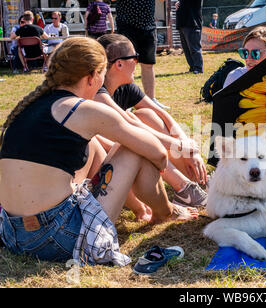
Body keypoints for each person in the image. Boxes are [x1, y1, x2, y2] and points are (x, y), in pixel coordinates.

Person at [0, 37, 198, 264]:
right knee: (133, 148)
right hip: (56, 238)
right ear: (93, 76)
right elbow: (157, 152)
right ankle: (166, 212)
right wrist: (162, 165)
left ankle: (139, 209)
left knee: (92, 144)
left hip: (12, 233)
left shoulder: (30, 106)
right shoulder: (83, 110)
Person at [91, 34, 208, 216]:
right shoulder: (97, 93)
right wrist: (180, 146)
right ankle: (184, 187)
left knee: (147, 115)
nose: (137, 62)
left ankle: (195, 182)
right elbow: (126, 125)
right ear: (119, 64)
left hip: (123, 151)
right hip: (107, 165)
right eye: (135, 57)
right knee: (137, 135)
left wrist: (188, 146)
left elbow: (163, 114)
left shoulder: (125, 87)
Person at [116, 0, 170, 109]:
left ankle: (151, 100)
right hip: (127, 26)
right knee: (126, 63)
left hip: (147, 26)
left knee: (148, 64)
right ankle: (125, 101)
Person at [176, 0, 204, 74]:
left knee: (194, 48)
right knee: (186, 49)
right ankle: (192, 67)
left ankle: (198, 68)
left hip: (192, 23)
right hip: (182, 23)